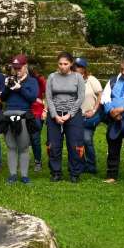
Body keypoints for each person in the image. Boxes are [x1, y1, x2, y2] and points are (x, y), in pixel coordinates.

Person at [0, 55, 39, 184]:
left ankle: (25, 176)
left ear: (25, 67)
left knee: (23, 146)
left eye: (19, 68)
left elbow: (32, 98)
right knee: (11, 146)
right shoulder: (9, 79)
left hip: (23, 116)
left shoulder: (32, 81)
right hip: (9, 115)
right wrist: (7, 87)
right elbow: (3, 98)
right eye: (15, 68)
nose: (17, 70)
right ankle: (12, 175)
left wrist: (20, 88)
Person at [46, 52, 85, 182]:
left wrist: (69, 114)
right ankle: (56, 172)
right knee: (53, 145)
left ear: (71, 64)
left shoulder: (78, 77)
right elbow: (49, 97)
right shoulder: (52, 77)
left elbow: (80, 98)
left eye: (65, 64)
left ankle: (74, 173)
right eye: (60, 64)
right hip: (55, 114)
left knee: (75, 144)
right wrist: (54, 115)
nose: (62, 66)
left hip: (73, 114)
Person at [73, 57, 104, 175]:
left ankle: (91, 165)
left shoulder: (91, 79)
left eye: (79, 66)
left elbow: (100, 94)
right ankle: (81, 164)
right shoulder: (70, 80)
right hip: (75, 116)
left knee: (86, 140)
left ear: (84, 69)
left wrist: (94, 109)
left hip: (89, 116)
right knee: (77, 141)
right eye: (75, 66)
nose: (76, 68)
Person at [28, 64, 47, 172]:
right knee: (24, 137)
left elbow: (46, 93)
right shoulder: (21, 79)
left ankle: (37, 161)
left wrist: (44, 106)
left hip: (37, 112)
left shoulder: (40, 79)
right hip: (25, 111)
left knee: (35, 138)